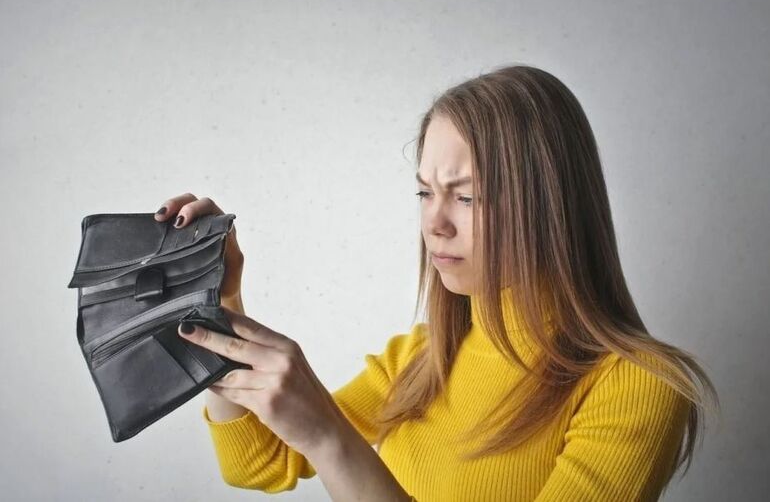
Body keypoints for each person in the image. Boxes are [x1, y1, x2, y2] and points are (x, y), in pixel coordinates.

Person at [155, 64, 719, 502]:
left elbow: (312, 443)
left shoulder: (638, 386)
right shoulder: (422, 358)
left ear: (550, 208)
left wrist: (330, 436)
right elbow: (259, 462)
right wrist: (217, 301)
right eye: (425, 192)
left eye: (466, 196)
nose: (434, 223)